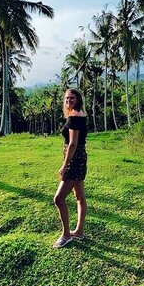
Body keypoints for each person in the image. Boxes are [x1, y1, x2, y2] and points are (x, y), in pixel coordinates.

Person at [53, 88, 88, 248]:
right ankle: (79, 231)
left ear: (78, 99)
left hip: (74, 160)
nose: (68, 101)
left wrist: (64, 165)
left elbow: (73, 144)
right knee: (79, 196)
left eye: (72, 98)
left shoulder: (74, 118)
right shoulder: (80, 114)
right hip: (80, 157)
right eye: (67, 99)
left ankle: (67, 234)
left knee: (59, 199)